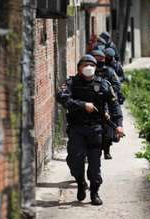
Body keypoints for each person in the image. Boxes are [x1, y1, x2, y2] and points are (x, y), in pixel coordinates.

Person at [57, 55, 124, 205]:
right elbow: (62, 98)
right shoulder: (71, 83)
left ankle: (95, 192)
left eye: (91, 65)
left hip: (96, 129)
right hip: (77, 129)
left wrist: (118, 124)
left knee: (95, 164)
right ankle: (80, 182)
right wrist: (82, 105)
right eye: (85, 64)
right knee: (74, 161)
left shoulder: (104, 84)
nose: (89, 67)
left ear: (95, 67)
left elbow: (114, 106)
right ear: (79, 68)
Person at [90, 50, 124, 160]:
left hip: (106, 103)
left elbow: (117, 85)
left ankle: (106, 151)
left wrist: (107, 92)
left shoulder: (109, 71)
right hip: (92, 104)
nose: (99, 60)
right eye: (96, 58)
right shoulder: (89, 71)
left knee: (108, 129)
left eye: (101, 58)